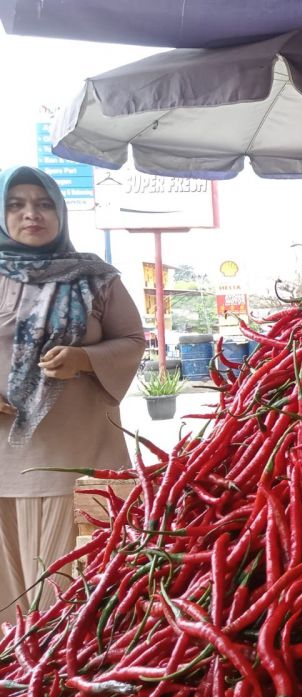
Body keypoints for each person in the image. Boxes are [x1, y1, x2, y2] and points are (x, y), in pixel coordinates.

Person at [0, 166, 144, 625]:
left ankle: (63, 684)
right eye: (16, 204)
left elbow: (132, 340)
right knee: (10, 608)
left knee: (77, 597)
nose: (31, 214)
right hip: (4, 462)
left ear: (61, 211)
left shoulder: (96, 278)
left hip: (81, 459)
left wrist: (84, 358)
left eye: (44, 204)